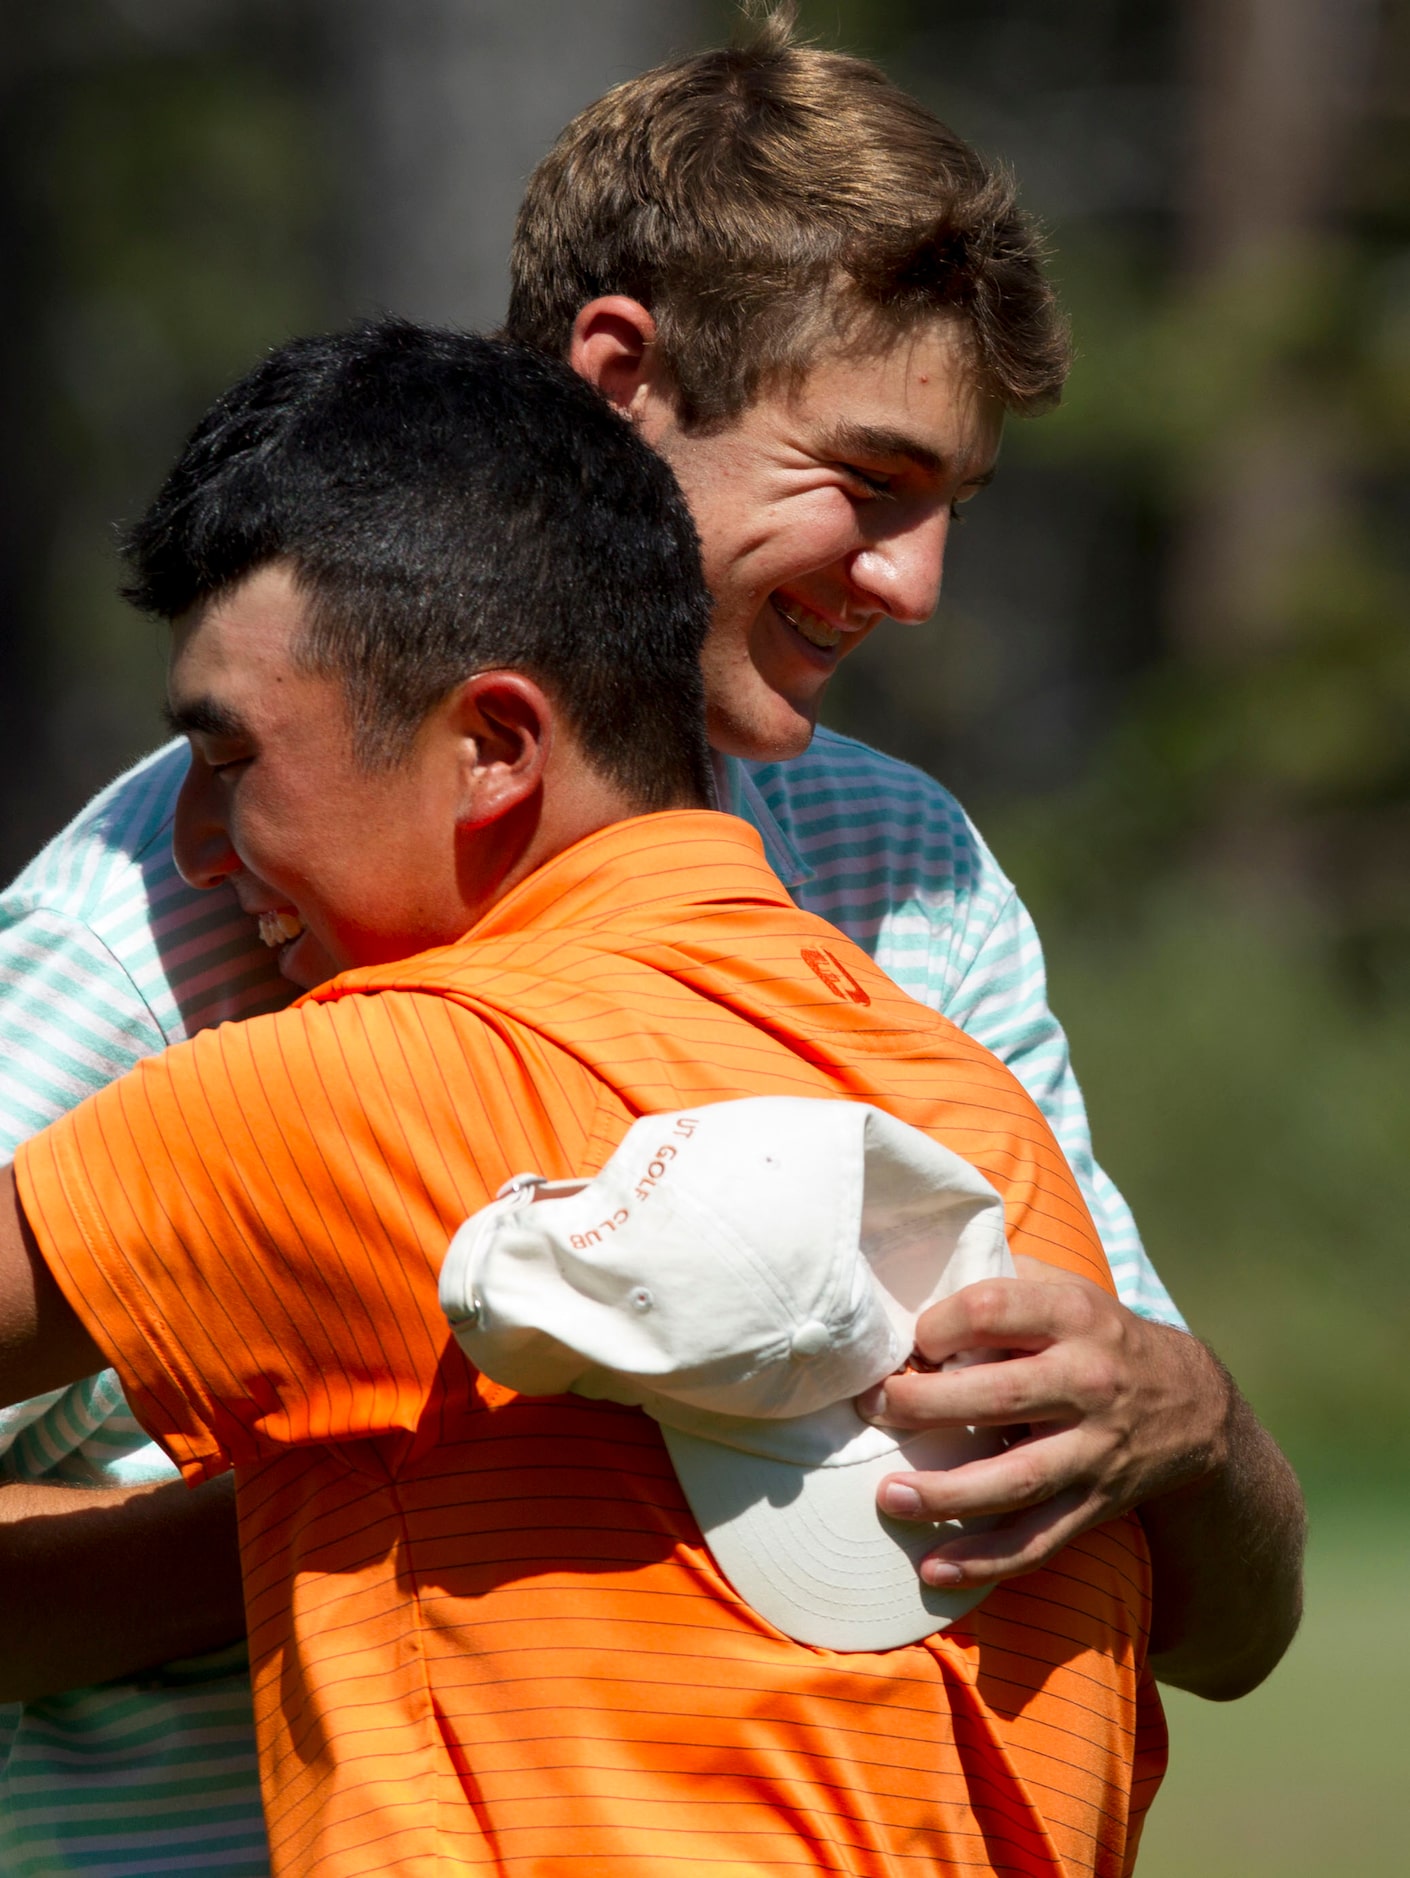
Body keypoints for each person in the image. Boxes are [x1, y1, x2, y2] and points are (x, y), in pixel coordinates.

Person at [0, 6, 1303, 1872]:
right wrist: (407, 1471)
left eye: (950, 510)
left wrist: (1184, 1418)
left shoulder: (904, 872)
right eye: (865, 481)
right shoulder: (205, 864)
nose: (916, 585)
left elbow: (1223, 1614)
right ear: (622, 376)